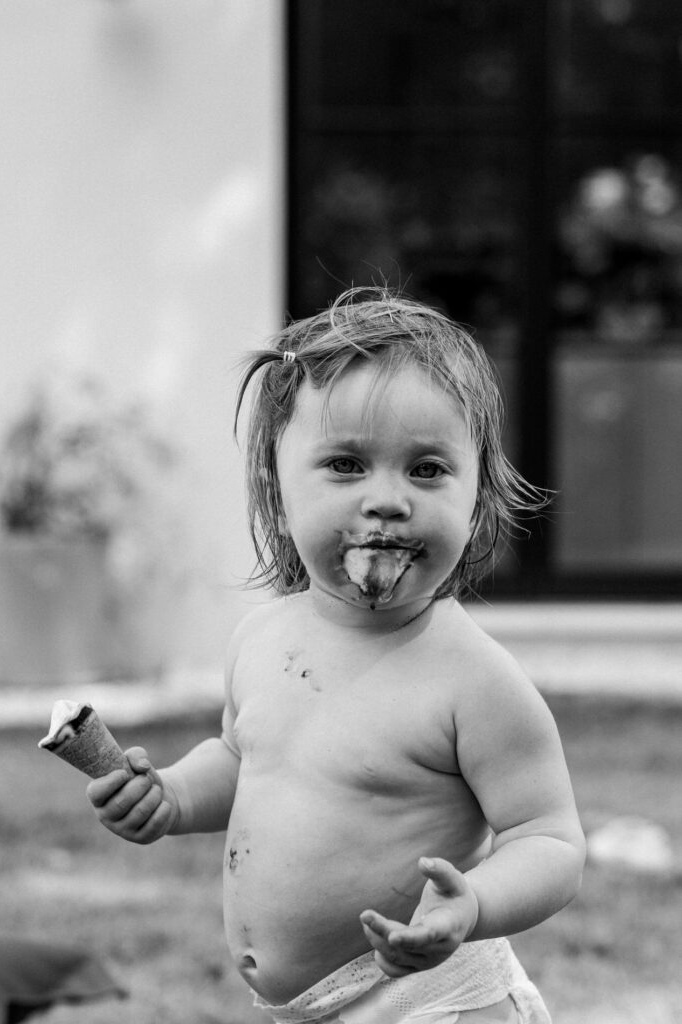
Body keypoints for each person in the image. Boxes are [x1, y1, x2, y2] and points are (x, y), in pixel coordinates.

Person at [87, 288, 586, 1024]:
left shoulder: (471, 681)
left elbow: (549, 839)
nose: (387, 501)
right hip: (306, 1007)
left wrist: (473, 903)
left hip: (433, 1002)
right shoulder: (261, 639)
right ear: (277, 496)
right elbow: (249, 757)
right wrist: (173, 795)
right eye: (347, 465)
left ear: (475, 499)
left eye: (425, 470)